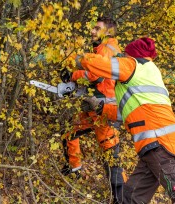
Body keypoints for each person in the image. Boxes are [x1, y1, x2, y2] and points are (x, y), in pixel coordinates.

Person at [73, 37, 175, 203]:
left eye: (125, 54)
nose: (122, 57)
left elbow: (101, 64)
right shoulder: (150, 73)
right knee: (130, 198)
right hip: (155, 149)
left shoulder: (133, 65)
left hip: (162, 147)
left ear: (132, 55)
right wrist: (100, 107)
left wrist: (75, 59)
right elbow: (129, 113)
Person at [60, 16, 126, 204]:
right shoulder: (102, 48)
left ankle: (122, 198)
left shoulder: (108, 49)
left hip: (105, 111)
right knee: (70, 133)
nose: (92, 31)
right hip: (94, 108)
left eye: (97, 28)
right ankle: (74, 169)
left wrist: (72, 74)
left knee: (111, 157)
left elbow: (96, 75)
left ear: (108, 32)